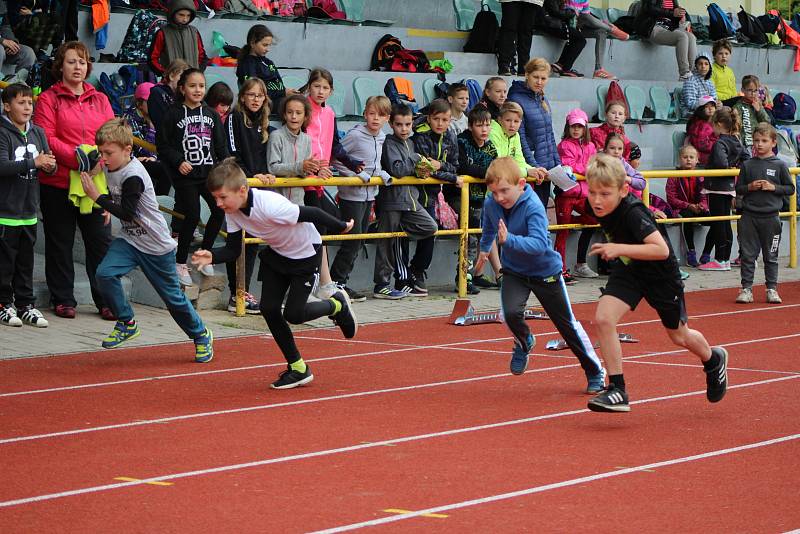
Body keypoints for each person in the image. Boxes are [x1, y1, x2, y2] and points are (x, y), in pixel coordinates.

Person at [192, 158, 358, 389]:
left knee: (295, 314)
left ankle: (337, 305)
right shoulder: (232, 211)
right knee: (269, 308)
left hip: (305, 254)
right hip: (278, 255)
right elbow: (232, 249)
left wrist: (341, 225)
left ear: (242, 190)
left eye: (222, 197)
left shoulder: (269, 204)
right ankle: (298, 368)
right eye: (215, 198)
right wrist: (212, 255)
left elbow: (311, 213)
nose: (218, 203)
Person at [584, 153, 728, 412]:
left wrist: (617, 247)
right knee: (604, 319)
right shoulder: (599, 205)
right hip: (629, 271)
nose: (596, 200)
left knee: (679, 336)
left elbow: (660, 250)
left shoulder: (633, 213)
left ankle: (713, 359)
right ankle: (618, 389)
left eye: (604, 194)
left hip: (660, 276)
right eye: (593, 192)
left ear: (624, 189)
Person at [79, 119, 214, 361]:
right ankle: (126, 321)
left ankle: (201, 334)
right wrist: (109, 203)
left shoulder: (134, 176)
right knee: (105, 273)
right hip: (130, 240)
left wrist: (97, 197)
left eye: (108, 153)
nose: (104, 158)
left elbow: (128, 212)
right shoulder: (110, 166)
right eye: (101, 152)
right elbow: (117, 195)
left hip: (155, 246)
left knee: (173, 299)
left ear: (127, 150)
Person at [476, 157, 606, 393]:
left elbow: (538, 244)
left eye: (504, 191)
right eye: (494, 192)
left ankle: (594, 370)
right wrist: (484, 251)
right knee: (510, 314)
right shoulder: (491, 203)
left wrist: (510, 240)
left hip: (544, 271)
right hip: (514, 270)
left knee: (566, 325)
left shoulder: (533, 206)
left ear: (521, 184)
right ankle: (524, 340)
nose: (499, 198)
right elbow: (489, 227)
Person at [33, 41, 115, 320]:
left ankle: (106, 299)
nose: (77, 67)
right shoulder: (47, 98)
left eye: (81, 62)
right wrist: (81, 159)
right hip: (58, 183)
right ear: (60, 66)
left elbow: (110, 135)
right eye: (71, 62)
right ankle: (63, 298)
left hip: (95, 183)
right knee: (60, 243)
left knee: (100, 243)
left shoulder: (100, 98)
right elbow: (47, 138)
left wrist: (99, 161)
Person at [156, 68, 229, 286]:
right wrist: (178, 161)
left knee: (218, 210)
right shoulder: (172, 114)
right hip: (185, 176)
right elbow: (163, 145)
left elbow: (220, 147)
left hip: (208, 175)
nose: (197, 90)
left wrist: (223, 170)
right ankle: (180, 262)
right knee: (193, 214)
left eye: (201, 86)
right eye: (192, 85)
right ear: (182, 88)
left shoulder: (212, 115)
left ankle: (205, 254)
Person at [303, 68, 364, 300]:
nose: (320, 91)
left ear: (331, 91)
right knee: (316, 228)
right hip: (304, 179)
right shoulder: (302, 108)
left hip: (320, 180)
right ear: (309, 87)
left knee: (324, 227)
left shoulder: (329, 114)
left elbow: (335, 145)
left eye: (325, 87)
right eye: (316, 86)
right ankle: (315, 281)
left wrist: (352, 162)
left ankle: (323, 281)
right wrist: (314, 166)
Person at [0, 83, 55, 328]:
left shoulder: (38, 132)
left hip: (29, 211)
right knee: (4, 264)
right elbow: (2, 166)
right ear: (6, 106)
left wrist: (49, 165)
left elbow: (48, 160)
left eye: (30, 103)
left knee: (26, 263)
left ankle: (25, 305)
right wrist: (35, 162)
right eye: (21, 103)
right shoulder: (2, 133)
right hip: (6, 212)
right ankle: (3, 304)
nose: (27, 107)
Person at [330, 95, 393, 302]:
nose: (375, 119)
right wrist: (354, 175)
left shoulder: (383, 137)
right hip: (351, 195)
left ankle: (340, 282)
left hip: (369, 195)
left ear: (387, 118)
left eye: (381, 115)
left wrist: (381, 173)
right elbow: (337, 159)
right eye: (372, 114)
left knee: (360, 239)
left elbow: (374, 164)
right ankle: (336, 283)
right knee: (352, 239)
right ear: (365, 114)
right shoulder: (356, 135)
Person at [373, 103, 437, 299]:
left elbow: (410, 169)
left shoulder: (411, 143)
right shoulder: (389, 143)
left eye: (408, 124)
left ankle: (408, 270)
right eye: (399, 124)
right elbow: (398, 169)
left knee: (430, 226)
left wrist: (422, 168)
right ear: (391, 124)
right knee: (386, 242)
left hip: (411, 201)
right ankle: (382, 284)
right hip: (392, 202)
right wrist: (416, 160)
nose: (404, 129)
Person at [225, 77, 276, 314]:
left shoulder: (264, 123)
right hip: (239, 187)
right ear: (243, 97)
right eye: (251, 95)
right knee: (237, 241)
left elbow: (264, 156)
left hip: (257, 188)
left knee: (253, 243)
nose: (256, 99)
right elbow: (232, 154)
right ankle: (236, 293)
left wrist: (265, 174)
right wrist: (251, 174)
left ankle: (242, 291)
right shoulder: (234, 118)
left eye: (260, 95)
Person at [735, 123, 795, 304]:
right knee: (747, 255)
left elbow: (790, 189)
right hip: (749, 216)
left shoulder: (780, 165)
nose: (759, 144)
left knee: (771, 255)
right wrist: (749, 187)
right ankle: (746, 289)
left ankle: (772, 289)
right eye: (756, 141)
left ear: (773, 142)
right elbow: (738, 188)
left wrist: (773, 187)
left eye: (764, 140)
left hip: (771, 217)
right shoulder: (747, 165)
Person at [412, 98, 462, 296]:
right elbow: (424, 167)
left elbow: (454, 165)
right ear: (429, 118)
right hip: (414, 193)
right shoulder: (420, 135)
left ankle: (418, 269)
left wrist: (441, 166)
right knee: (407, 234)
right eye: (436, 119)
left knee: (430, 232)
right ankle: (406, 276)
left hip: (432, 195)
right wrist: (451, 176)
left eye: (445, 119)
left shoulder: (450, 135)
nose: (441, 124)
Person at [698, 107, 748, 271]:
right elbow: (746, 158)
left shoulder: (720, 142)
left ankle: (721, 259)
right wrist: (735, 167)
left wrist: (729, 167)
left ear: (719, 124)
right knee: (725, 222)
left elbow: (721, 163)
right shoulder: (736, 140)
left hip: (717, 187)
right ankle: (724, 258)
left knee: (719, 223)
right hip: (728, 187)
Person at [457, 105, 502, 288]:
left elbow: (495, 169)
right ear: (470, 126)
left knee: (481, 235)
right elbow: (463, 167)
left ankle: (475, 274)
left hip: (481, 198)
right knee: (468, 238)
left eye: (487, 125)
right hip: (460, 196)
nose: (484, 130)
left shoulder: (490, 147)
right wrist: (485, 173)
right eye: (479, 125)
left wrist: (486, 174)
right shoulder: (462, 142)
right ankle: (463, 277)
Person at [508, 58, 561, 207]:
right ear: (526, 75)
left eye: (543, 78)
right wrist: (533, 166)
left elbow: (549, 134)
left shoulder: (542, 98)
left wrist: (558, 164)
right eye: (535, 77)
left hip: (546, 167)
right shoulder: (516, 99)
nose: (539, 81)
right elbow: (520, 137)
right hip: (532, 168)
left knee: (540, 210)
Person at [556, 108, 597, 281]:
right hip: (566, 194)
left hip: (584, 195)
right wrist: (587, 169)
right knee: (562, 233)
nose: (576, 129)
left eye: (579, 126)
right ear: (568, 127)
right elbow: (569, 164)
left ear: (585, 128)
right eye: (573, 126)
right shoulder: (564, 145)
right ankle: (560, 269)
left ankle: (569, 222)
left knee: (595, 219)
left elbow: (593, 165)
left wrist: (587, 170)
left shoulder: (591, 146)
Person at [666, 145, 712, 267]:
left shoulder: (700, 176)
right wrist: (688, 205)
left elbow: (704, 196)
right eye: (685, 157)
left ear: (697, 160)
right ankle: (691, 252)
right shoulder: (673, 176)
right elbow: (671, 199)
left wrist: (702, 206)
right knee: (688, 217)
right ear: (679, 159)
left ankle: (706, 253)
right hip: (681, 209)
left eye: (691, 157)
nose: (688, 160)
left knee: (717, 220)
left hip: (697, 208)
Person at [236, 24, 297, 111]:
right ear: (252, 43)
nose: (268, 49)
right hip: (264, 103)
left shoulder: (269, 63)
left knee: (300, 102)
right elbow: (254, 91)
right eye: (265, 45)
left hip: (279, 99)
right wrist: (283, 93)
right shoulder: (247, 64)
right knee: (294, 107)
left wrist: (288, 91)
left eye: (269, 45)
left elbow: (279, 84)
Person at [267, 93, 312, 207]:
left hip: (299, 203)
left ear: (305, 116)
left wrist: (314, 168)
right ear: (284, 115)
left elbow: (304, 172)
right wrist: (300, 167)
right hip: (277, 203)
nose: (293, 116)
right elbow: (272, 167)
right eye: (290, 112)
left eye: (298, 113)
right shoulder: (276, 136)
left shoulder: (307, 139)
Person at [489, 101, 548, 187]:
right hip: (492, 189)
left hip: (506, 187)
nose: (512, 125)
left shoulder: (515, 135)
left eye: (516, 121)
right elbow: (498, 166)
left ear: (520, 122)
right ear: (500, 119)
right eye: (508, 120)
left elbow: (519, 161)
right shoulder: (493, 133)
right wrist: (527, 172)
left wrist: (535, 170)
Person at [634, 0, 697, 80]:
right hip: (652, 27)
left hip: (668, 28)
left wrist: (680, 17)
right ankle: (684, 73)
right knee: (682, 37)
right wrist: (672, 13)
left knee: (691, 37)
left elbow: (673, 15)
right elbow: (650, 8)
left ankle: (692, 74)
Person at [565, 0, 628, 79]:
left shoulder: (584, 0)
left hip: (580, 29)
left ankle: (598, 70)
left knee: (601, 32)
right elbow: (565, 13)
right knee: (585, 16)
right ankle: (612, 30)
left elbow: (588, 19)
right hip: (566, 27)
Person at [149, 0, 207, 75]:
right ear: (173, 13)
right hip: (170, 82)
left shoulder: (194, 32)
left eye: (188, 15)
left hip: (191, 80)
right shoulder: (162, 33)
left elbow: (202, 57)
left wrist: (197, 72)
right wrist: (164, 73)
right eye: (181, 15)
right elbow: (152, 59)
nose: (185, 19)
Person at [537, 0, 587, 78]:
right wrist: (572, 12)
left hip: (552, 23)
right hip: (548, 23)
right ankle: (565, 69)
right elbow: (556, 12)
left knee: (576, 37)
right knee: (580, 40)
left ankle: (560, 64)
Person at [147, 59, 190, 135]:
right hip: (167, 142)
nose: (185, 82)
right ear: (171, 76)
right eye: (182, 77)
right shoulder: (158, 93)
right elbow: (166, 122)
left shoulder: (182, 96)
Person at [496, 0, 539, 76]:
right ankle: (504, 65)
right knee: (509, 29)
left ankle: (524, 68)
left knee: (526, 32)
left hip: (532, 1)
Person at [732, 75, 771, 151]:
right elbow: (736, 128)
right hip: (745, 145)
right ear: (742, 90)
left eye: (755, 90)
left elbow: (767, 122)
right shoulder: (738, 107)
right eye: (750, 90)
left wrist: (759, 110)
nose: (753, 93)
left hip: (759, 142)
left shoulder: (758, 104)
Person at [0, 3, 35, 83]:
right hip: (1, 46)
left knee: (28, 53)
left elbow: (5, 27)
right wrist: (2, 41)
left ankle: (14, 88)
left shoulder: (1, 4)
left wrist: (12, 42)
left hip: (3, 44)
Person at [686, 94, 718, 167]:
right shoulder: (701, 125)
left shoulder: (710, 123)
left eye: (712, 106)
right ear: (700, 109)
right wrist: (718, 144)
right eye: (706, 106)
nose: (710, 108)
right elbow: (703, 145)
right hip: (705, 159)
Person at [711, 39, 737, 106]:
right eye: (720, 53)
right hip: (718, 101)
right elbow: (710, 91)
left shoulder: (730, 71)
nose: (724, 56)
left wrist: (734, 98)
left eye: (726, 53)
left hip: (730, 100)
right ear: (714, 55)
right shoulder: (711, 70)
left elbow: (733, 89)